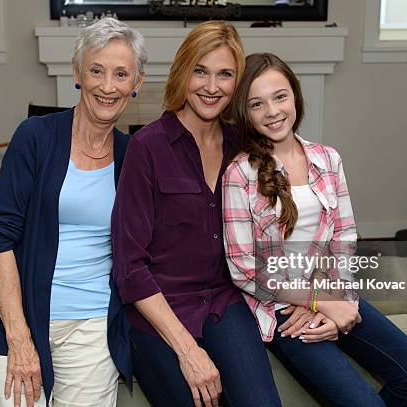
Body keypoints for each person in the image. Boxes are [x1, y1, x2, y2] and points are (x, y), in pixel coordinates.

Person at [223, 53, 407, 407]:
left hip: (328, 288)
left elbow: (343, 240)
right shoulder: (239, 175)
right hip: (279, 309)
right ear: (244, 113)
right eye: (256, 104)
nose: (272, 111)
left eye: (280, 96)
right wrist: (314, 301)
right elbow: (244, 269)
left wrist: (330, 299)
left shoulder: (328, 159)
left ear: (295, 95)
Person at [0, 18, 147, 407]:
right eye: (96, 71)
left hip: (92, 328)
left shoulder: (133, 156)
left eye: (121, 74)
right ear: (77, 74)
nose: (107, 86)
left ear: (136, 82)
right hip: (17, 321)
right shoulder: (36, 136)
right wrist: (19, 336)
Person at [111, 22, 282, 407]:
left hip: (224, 303)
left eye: (225, 74)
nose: (211, 86)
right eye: (200, 71)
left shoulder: (244, 145)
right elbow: (129, 266)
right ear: (182, 72)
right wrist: (188, 352)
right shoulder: (147, 147)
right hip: (159, 312)